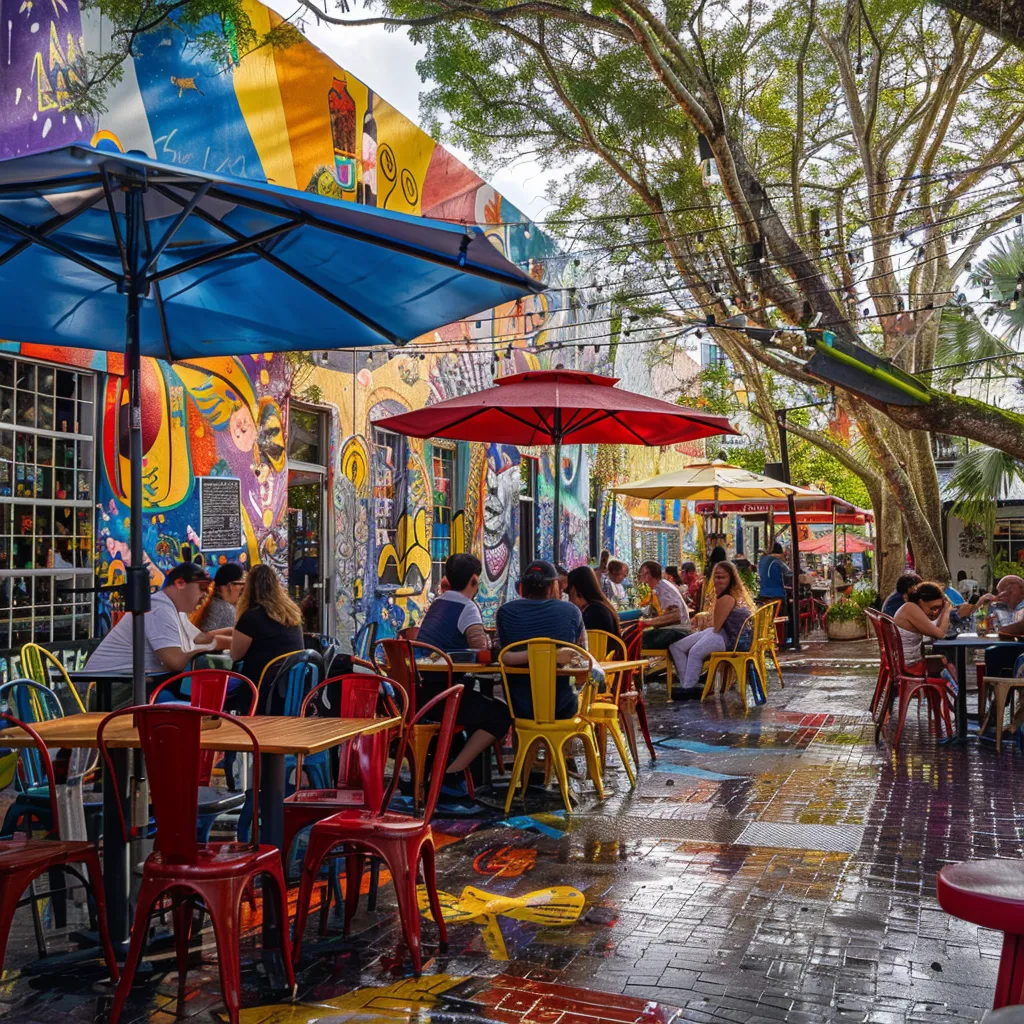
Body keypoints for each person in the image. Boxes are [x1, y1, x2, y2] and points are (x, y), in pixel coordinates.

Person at [413, 552, 513, 777]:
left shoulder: (437, 603)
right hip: (446, 698)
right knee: (499, 714)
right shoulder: (467, 607)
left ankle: (458, 771)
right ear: (474, 580)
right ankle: (453, 772)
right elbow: (480, 650)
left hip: (420, 694)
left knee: (480, 706)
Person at [85, 562, 230, 706]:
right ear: (180, 584)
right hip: (113, 691)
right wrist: (215, 646)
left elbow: (202, 638)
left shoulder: (172, 608)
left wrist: (239, 634)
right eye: (202, 588)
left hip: (128, 684)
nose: (205, 595)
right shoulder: (159, 609)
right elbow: (176, 662)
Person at [497, 560, 586, 719]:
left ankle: (523, 744)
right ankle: (562, 744)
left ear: (522, 587)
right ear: (552, 586)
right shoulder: (571, 611)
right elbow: (581, 653)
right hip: (563, 707)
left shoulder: (505, 612)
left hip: (519, 708)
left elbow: (503, 653)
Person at [668, 560, 753, 699]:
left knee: (695, 652)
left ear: (730, 579)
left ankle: (688, 688)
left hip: (731, 639)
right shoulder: (726, 595)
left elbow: (717, 626)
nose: (718, 581)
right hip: (721, 633)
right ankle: (688, 685)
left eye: (722, 577)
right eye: (716, 577)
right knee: (676, 647)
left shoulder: (727, 597)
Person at [231, 563, 305, 706]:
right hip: (288, 691)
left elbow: (235, 655)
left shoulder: (250, 618)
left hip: (258, 691)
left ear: (248, 589)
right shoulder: (291, 615)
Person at [892, 581, 955, 678]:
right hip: (909, 666)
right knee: (950, 659)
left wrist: (944, 608)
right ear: (921, 601)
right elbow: (941, 634)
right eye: (933, 608)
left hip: (909, 662)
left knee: (945, 658)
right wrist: (946, 609)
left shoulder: (911, 608)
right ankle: (958, 689)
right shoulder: (910, 608)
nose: (934, 613)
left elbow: (935, 629)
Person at [637, 560, 690, 649]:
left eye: (642, 574)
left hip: (678, 631)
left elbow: (675, 615)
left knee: (638, 640)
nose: (643, 580)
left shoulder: (662, 588)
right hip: (674, 629)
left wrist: (650, 622)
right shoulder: (660, 586)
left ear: (648, 574)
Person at [566, 565, 620, 636]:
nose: (569, 601)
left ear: (574, 590)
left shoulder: (592, 613)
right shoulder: (602, 607)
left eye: (569, 595)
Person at [192, 562, 245, 631]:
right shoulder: (227, 611)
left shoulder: (211, 603)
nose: (242, 589)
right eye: (241, 584)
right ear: (230, 586)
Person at [757, 543, 791, 612]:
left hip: (763, 594)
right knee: (781, 617)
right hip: (776, 595)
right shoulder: (776, 560)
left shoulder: (762, 560)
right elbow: (789, 573)